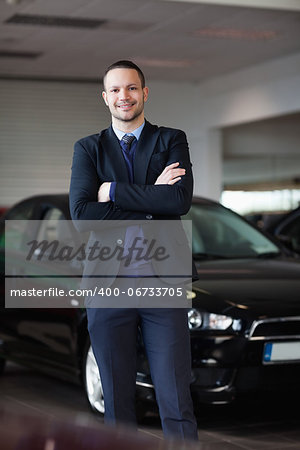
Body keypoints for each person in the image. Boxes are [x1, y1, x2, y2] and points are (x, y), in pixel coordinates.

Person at [69, 60, 198, 440]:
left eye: (131, 88)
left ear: (144, 93)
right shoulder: (88, 149)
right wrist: (150, 198)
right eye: (116, 90)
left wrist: (111, 192)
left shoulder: (170, 139)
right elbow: (82, 216)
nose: (123, 96)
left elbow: (178, 200)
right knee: (118, 402)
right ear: (105, 97)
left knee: (175, 397)